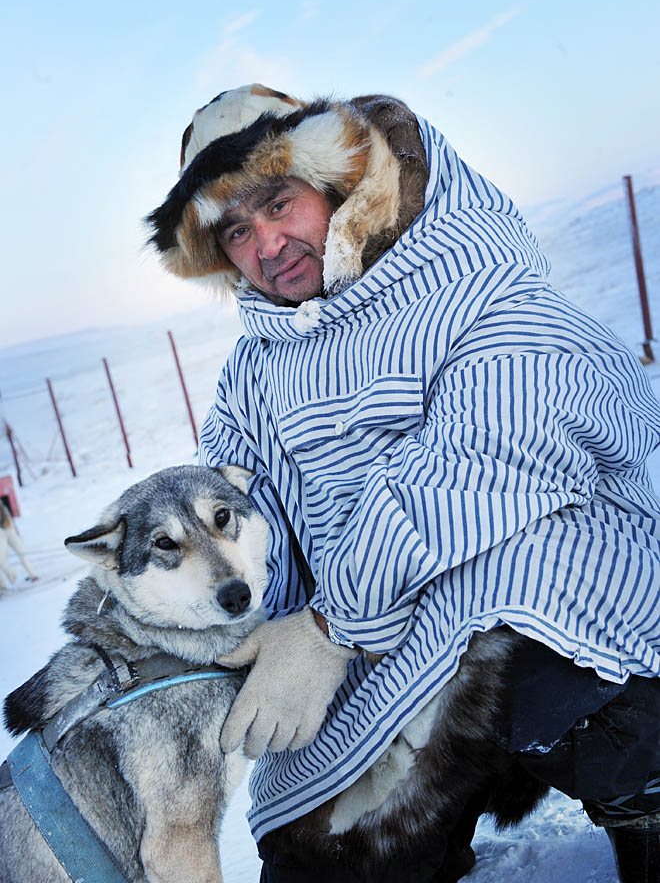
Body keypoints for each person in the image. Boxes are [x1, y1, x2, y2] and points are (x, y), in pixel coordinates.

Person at [147, 84, 660, 882]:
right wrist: (174, 620)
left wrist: (327, 628)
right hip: (385, 648)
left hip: (547, 626)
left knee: (540, 629)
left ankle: (646, 792)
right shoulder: (257, 366)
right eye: (238, 230)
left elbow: (485, 458)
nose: (267, 243)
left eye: (280, 203)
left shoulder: (472, 269)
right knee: (307, 854)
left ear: (336, 179)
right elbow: (235, 509)